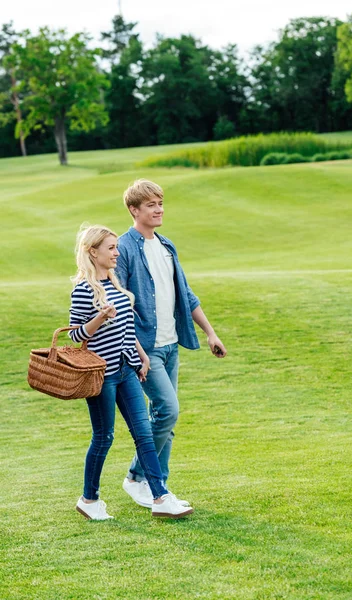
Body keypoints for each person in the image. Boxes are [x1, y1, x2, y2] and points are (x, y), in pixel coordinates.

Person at [69, 224, 193, 520]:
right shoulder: (84, 289)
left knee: (144, 435)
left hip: (126, 372)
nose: (116, 252)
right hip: (102, 376)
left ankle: (160, 496)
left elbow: (125, 329)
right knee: (104, 437)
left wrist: (138, 357)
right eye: (110, 248)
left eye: (116, 246)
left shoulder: (114, 285)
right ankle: (89, 499)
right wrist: (100, 316)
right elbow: (75, 335)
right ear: (92, 252)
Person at [116, 179, 227, 509]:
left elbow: (186, 294)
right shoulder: (123, 248)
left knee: (167, 417)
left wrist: (210, 332)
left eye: (160, 203)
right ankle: (139, 478)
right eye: (151, 205)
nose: (159, 209)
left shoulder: (166, 246)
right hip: (145, 349)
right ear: (134, 210)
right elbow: (120, 302)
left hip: (171, 344)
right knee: (168, 411)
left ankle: (157, 487)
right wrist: (135, 348)